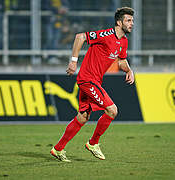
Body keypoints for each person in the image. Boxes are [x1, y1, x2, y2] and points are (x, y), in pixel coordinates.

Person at [50, 7, 135, 162]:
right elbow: (80, 37)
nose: (131, 24)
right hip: (87, 79)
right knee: (112, 110)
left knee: (82, 117)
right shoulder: (106, 35)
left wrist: (129, 70)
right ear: (119, 22)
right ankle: (93, 143)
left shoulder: (123, 41)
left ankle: (58, 149)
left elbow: (121, 61)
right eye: (128, 20)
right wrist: (73, 62)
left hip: (95, 81)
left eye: (132, 21)